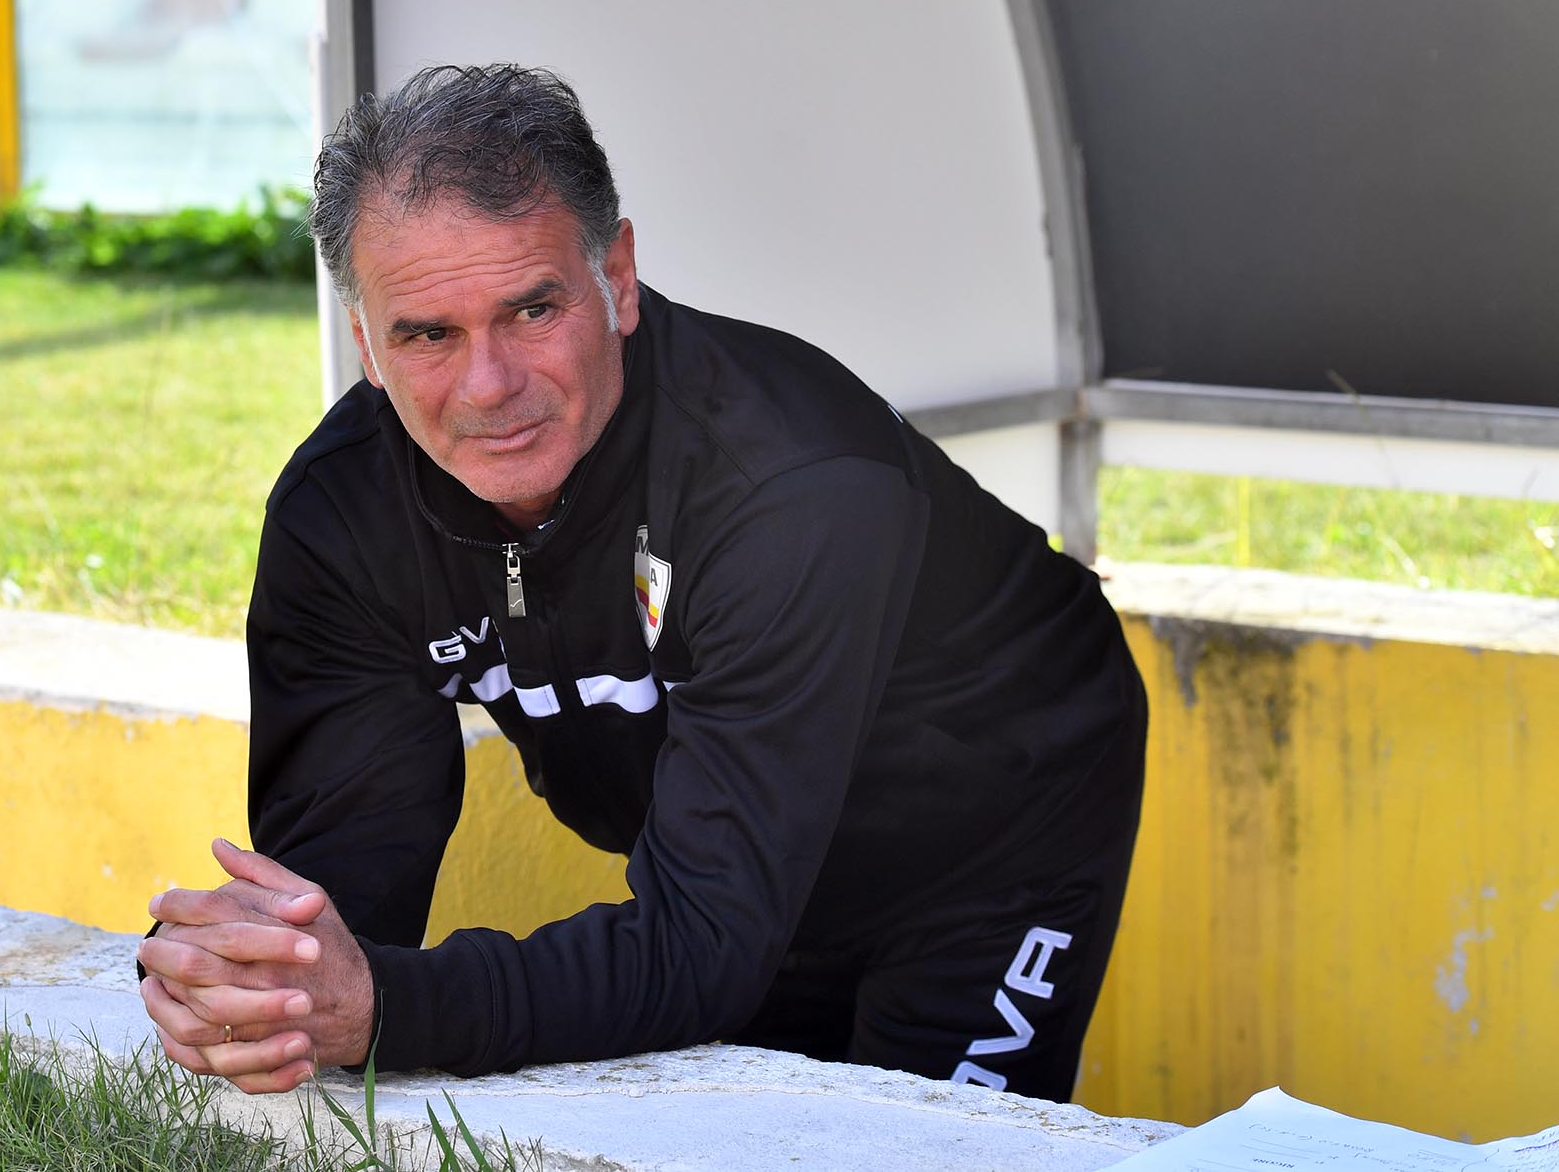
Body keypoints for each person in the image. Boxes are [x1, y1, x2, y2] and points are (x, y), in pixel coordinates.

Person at [136, 63, 1147, 1103]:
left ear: (616, 279)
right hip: (735, 859)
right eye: (427, 333)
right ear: (364, 340)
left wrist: (392, 1007)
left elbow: (703, 945)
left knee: (921, 1143)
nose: (488, 386)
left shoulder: (791, 485)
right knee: (760, 1121)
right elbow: (335, 900)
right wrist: (255, 976)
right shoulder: (340, 516)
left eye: (532, 309)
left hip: (993, 823)